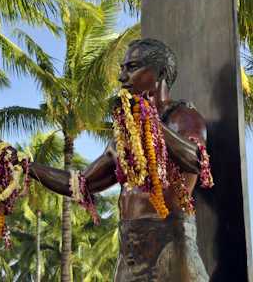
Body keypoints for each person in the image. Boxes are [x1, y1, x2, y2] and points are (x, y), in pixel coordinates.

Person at [16, 38, 209, 281]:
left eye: (132, 67)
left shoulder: (181, 117)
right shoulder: (123, 136)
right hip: (129, 252)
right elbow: (79, 185)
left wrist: (153, 124)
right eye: (122, 68)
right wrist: (25, 166)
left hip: (171, 245)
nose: (122, 77)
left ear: (159, 73)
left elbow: (196, 161)